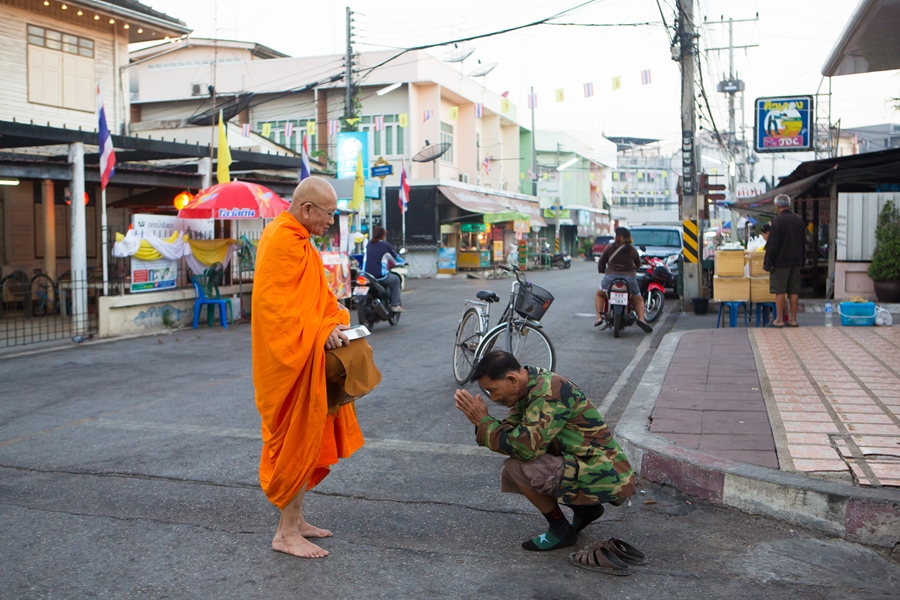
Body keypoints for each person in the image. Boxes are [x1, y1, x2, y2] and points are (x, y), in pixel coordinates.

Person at [252, 176, 366, 559]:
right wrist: (320, 331)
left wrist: (331, 322)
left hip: (307, 360)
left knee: (310, 436)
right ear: (306, 210)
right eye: (329, 213)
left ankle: (296, 520)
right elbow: (280, 314)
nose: (331, 221)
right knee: (295, 438)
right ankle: (284, 533)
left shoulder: (297, 240)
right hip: (289, 364)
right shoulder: (283, 240)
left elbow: (315, 298)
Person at [454, 350, 636, 552]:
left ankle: (560, 529)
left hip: (608, 473)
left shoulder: (547, 392)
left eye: (493, 390)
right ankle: (586, 511)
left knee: (517, 467)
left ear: (512, 379)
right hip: (590, 464)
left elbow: (524, 449)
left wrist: (484, 422)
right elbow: (511, 432)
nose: (493, 398)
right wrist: (484, 424)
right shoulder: (530, 385)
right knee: (517, 466)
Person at [594, 227, 652, 333]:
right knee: (639, 300)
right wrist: (634, 268)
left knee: (599, 294)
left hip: (611, 277)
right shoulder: (632, 250)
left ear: (617, 236)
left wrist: (602, 270)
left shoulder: (610, 248)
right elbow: (638, 263)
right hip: (629, 278)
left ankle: (599, 317)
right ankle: (642, 319)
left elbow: (601, 261)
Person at [763, 194, 806, 327]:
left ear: (777, 206)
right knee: (794, 290)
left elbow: (773, 244)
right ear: (789, 204)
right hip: (796, 260)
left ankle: (779, 320)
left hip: (781, 262)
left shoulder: (777, 221)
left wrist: (768, 263)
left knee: (780, 290)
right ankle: (793, 320)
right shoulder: (799, 220)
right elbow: (803, 242)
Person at [363, 225, 403, 312]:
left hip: (367, 276)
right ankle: (395, 305)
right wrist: (402, 262)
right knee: (396, 280)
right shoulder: (385, 245)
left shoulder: (369, 244)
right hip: (380, 276)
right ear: (383, 235)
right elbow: (395, 258)